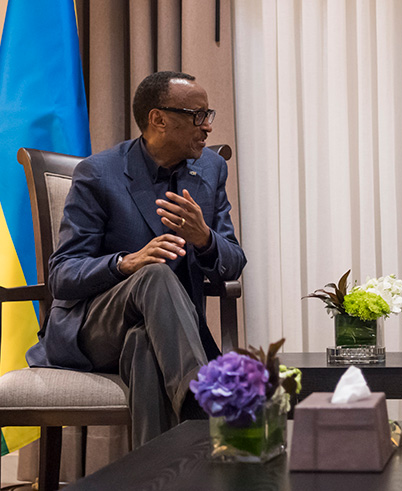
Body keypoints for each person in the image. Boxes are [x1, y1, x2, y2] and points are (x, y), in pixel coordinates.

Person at [26, 71, 247, 446]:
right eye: (197, 115)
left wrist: (204, 239)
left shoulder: (211, 169)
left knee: (144, 346)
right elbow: (62, 275)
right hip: (93, 329)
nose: (207, 127)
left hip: (166, 334)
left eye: (209, 115)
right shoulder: (99, 174)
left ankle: (156, 478)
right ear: (158, 119)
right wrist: (125, 263)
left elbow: (233, 262)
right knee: (155, 275)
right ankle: (201, 402)